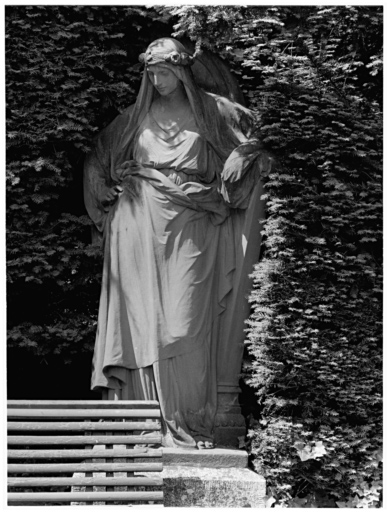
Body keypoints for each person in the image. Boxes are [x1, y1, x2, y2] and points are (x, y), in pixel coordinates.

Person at [84, 37, 271, 449]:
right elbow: (98, 157)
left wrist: (245, 154)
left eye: (164, 71)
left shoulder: (213, 112)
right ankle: (139, 424)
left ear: (182, 71)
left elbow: (263, 136)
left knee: (185, 323)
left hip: (193, 223)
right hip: (136, 220)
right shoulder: (136, 118)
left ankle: (188, 422)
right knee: (141, 321)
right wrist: (103, 192)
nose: (157, 79)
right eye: (151, 72)